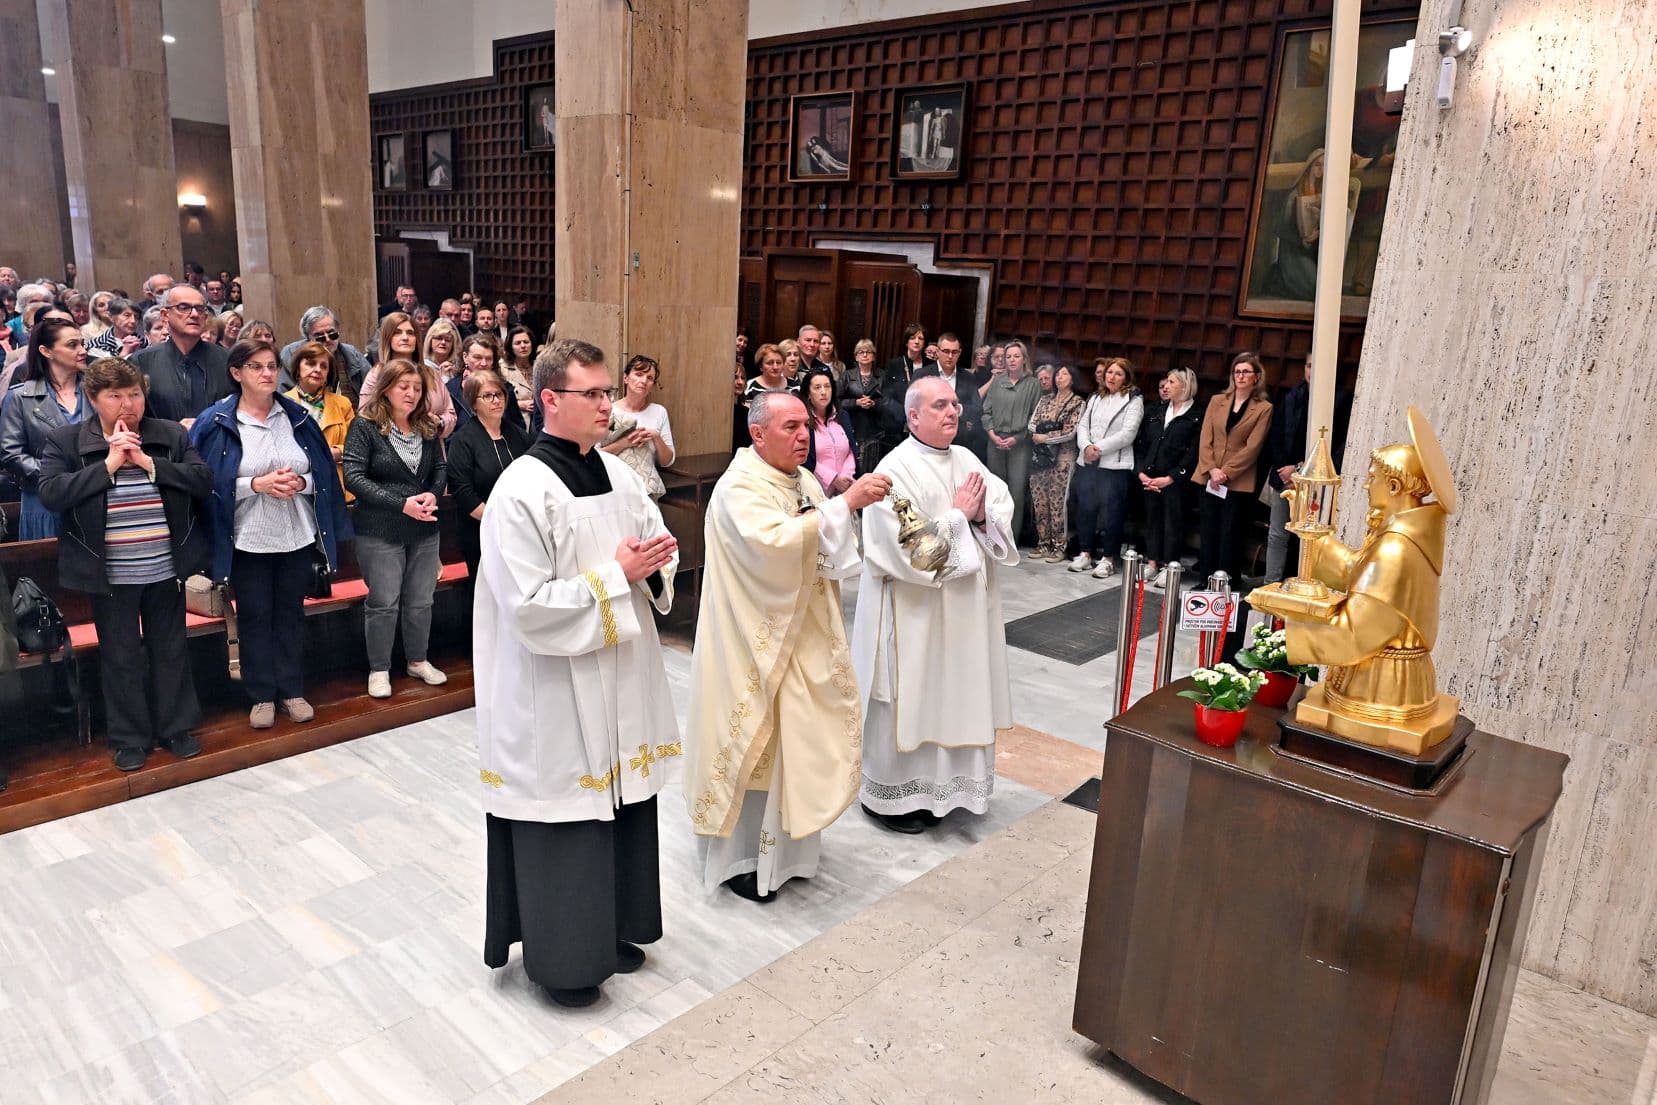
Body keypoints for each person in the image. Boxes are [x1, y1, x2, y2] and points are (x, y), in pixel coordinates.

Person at [474, 337, 679, 1008]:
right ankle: (565, 956)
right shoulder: (520, 491)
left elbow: (651, 551)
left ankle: (615, 928)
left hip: (617, 673)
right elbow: (527, 610)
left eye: (608, 391)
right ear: (551, 400)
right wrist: (615, 576)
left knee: (619, 802)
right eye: (593, 393)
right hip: (552, 687)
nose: (608, 405)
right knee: (567, 812)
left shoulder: (619, 476)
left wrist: (654, 562)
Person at [685, 391, 889, 902]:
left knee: (795, 742)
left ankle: (788, 854)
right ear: (758, 434)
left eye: (807, 427)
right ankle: (744, 861)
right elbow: (771, 545)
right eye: (791, 427)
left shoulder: (802, 479)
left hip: (800, 631)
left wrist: (836, 511)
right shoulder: (739, 488)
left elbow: (828, 548)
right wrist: (846, 504)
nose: (804, 436)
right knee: (758, 744)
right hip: (754, 640)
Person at [853, 376, 1017, 832]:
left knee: (955, 692)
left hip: (962, 613)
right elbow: (902, 549)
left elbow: (998, 504)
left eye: (954, 405)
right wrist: (959, 516)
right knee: (911, 695)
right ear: (913, 417)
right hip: (913, 613)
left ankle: (947, 790)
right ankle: (891, 798)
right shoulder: (894, 468)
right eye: (940, 405)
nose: (953, 412)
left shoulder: (966, 459)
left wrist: (983, 515)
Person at [37, 357, 213, 771]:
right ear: (93, 398)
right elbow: (51, 494)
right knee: (120, 656)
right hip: (109, 571)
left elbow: (203, 480)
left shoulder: (168, 434)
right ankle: (129, 737)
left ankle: (175, 728)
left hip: (165, 565)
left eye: (134, 393)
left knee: (170, 650)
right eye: (114, 396)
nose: (127, 404)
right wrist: (110, 466)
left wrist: (150, 465)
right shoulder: (67, 441)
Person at [191, 339, 350, 729]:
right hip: (246, 539)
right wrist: (255, 485)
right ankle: (261, 695)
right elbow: (205, 482)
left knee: (291, 616)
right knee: (256, 617)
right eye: (257, 367)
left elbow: (324, 474)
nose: (267, 374)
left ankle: (292, 691)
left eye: (271, 366)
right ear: (236, 373)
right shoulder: (217, 421)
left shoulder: (295, 415)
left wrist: (302, 482)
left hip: (295, 534)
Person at [343, 359, 449, 699]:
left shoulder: (427, 426)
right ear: (385, 388)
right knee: (384, 602)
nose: (412, 393)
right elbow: (355, 478)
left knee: (421, 600)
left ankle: (417, 660)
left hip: (424, 528)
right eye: (404, 386)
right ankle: (379, 668)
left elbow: (440, 468)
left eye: (417, 388)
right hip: (380, 528)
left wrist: (432, 496)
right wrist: (401, 504)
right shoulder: (365, 426)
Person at [1, 319, 91, 538]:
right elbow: (10, 453)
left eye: (82, 343)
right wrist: (57, 474)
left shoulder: (97, 390)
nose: (82, 350)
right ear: (46, 351)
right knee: (48, 568)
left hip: (94, 495)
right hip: (45, 499)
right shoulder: (21, 396)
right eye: (72, 345)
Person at [1193, 352, 1273, 581]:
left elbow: (1253, 446)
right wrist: (1212, 469)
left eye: (1246, 372)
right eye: (1237, 371)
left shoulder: (1264, 407)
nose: (1240, 376)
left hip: (1237, 479)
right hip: (1209, 476)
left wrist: (1226, 472)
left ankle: (1227, 580)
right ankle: (1206, 579)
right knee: (1208, 530)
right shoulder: (1217, 401)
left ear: (1256, 377)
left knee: (1230, 531)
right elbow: (1205, 438)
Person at [446, 369, 530, 581]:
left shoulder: (518, 434)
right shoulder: (462, 440)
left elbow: (534, 473)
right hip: (482, 532)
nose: (496, 401)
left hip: (521, 529)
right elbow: (463, 491)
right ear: (473, 403)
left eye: (499, 394)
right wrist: (498, 520)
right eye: (487, 396)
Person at [1071, 356, 1145, 578]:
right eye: (1109, 372)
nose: (1112, 377)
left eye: (1118, 374)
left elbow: (1128, 434)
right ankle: (1085, 553)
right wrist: (1086, 447)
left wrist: (1098, 448)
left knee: (1113, 512)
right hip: (1089, 462)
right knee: (1086, 508)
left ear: (1126, 377)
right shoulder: (1095, 397)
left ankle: (1108, 559)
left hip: (1114, 466)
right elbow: (1083, 425)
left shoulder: (1133, 399)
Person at [1137, 366, 1202, 588]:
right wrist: (1142, 472)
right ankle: (1152, 561)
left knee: (1173, 523)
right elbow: (1143, 442)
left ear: (1185, 386)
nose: (1167, 386)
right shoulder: (1157, 410)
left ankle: (1170, 565)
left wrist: (1172, 477)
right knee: (1152, 520)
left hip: (1176, 480)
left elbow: (1193, 453)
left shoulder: (1195, 415)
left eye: (1172, 382)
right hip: (1151, 476)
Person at [131, 286, 233, 425]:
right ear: (165, 315)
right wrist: (172, 431)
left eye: (200, 308)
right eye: (184, 307)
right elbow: (132, 415)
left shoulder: (227, 360)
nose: (194, 314)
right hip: (162, 443)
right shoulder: (141, 362)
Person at [980, 338, 1041, 544]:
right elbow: (986, 411)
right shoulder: (998, 381)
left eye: (1016, 356)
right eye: (1008, 357)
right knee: (996, 490)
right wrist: (991, 433)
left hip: (1020, 444)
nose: (1012, 360)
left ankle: (1009, 538)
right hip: (995, 440)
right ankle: (993, 535)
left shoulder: (1033, 384)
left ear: (1024, 359)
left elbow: (1035, 416)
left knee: (1016, 491)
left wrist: (1017, 437)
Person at [360, 313, 456, 437]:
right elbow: (364, 415)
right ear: (388, 337)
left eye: (410, 333)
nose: (405, 337)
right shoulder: (377, 374)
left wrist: (440, 421)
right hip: (389, 448)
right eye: (397, 332)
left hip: (430, 447)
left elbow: (450, 414)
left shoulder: (431, 374)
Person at [1027, 364, 1086, 562]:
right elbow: (1032, 424)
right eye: (1058, 374)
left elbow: (1070, 432)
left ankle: (1059, 546)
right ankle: (1043, 542)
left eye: (1065, 373)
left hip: (1063, 458)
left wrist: (1045, 437)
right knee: (1039, 501)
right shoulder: (1045, 399)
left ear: (1073, 378)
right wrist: (1050, 431)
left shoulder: (1077, 402)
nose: (1060, 377)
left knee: (1058, 503)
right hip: (1041, 457)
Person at [286, 340, 356, 499]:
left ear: (327, 376)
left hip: (337, 488)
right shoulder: (282, 404)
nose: (317, 369)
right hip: (299, 490)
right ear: (298, 368)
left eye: (323, 366)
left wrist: (335, 453)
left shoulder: (342, 404)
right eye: (310, 364)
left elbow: (357, 448)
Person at [601, 354, 675, 499]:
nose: (644, 381)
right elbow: (594, 455)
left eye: (650, 378)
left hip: (645, 493)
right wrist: (625, 443)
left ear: (652, 385)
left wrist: (655, 436)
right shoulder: (609, 410)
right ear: (626, 378)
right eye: (639, 374)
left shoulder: (659, 412)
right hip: (612, 487)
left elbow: (667, 461)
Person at [279, 305, 371, 404]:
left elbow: (374, 389)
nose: (328, 340)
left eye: (332, 334)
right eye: (320, 337)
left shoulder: (352, 354)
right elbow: (285, 398)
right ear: (308, 339)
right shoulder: (291, 355)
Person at [915, 331, 985, 459]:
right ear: (938, 352)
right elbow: (913, 406)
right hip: (927, 440)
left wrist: (959, 409)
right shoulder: (922, 375)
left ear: (960, 353)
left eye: (954, 352)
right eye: (946, 351)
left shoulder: (968, 378)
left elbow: (977, 409)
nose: (950, 356)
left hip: (958, 441)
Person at [799, 365, 857, 496]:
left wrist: (845, 477)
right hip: (813, 491)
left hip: (844, 490)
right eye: (817, 387)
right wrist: (833, 479)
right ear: (808, 393)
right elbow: (804, 457)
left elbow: (851, 450)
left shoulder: (842, 416)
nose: (824, 392)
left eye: (827, 386)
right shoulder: (802, 420)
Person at [878, 323, 932, 446]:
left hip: (924, 422)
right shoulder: (894, 364)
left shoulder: (931, 365)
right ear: (906, 342)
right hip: (897, 425)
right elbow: (886, 395)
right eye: (912, 338)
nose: (917, 342)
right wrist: (904, 415)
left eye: (921, 338)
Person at [839, 338, 885, 472]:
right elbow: (836, 401)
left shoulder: (882, 375)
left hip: (874, 430)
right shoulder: (847, 375)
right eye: (861, 352)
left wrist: (874, 403)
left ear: (874, 356)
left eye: (868, 352)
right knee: (852, 469)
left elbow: (889, 402)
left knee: (871, 470)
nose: (865, 355)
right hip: (852, 426)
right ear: (856, 356)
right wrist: (855, 402)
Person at [501, 326, 537, 415]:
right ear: (510, 347)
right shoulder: (502, 369)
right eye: (517, 343)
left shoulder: (539, 366)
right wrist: (518, 404)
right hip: (515, 420)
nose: (523, 346)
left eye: (526, 342)